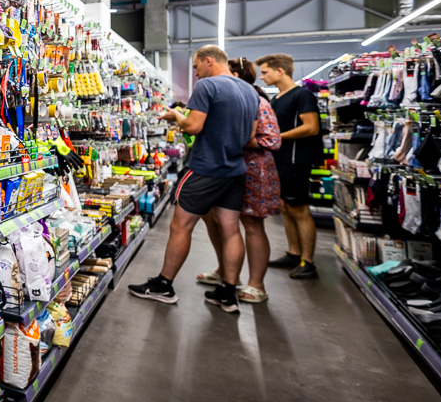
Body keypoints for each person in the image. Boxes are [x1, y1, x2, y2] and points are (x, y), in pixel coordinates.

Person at [129, 45, 260, 313]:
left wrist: (176, 115)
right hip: (235, 169)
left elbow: (193, 126)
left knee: (181, 226)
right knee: (231, 229)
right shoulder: (250, 91)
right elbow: (250, 136)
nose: (196, 73)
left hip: (205, 168)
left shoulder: (207, 86)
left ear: (208, 61)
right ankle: (228, 292)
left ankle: (164, 285)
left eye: (196, 67)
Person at [196, 58, 282, 303]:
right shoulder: (223, 99)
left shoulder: (257, 101)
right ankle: (225, 272)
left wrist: (234, 137)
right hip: (223, 169)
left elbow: (272, 140)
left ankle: (257, 285)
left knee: (252, 224)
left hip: (253, 171)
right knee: (217, 220)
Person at [256, 53, 323, 279]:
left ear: (280, 71)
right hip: (281, 159)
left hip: (296, 159)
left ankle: (308, 262)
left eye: (265, 72)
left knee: (299, 209)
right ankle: (294, 253)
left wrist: (277, 137)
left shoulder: (302, 95)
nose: (262, 77)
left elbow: (311, 127)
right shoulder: (277, 98)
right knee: (285, 206)